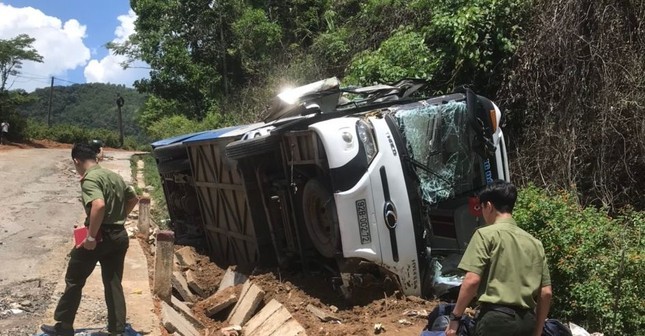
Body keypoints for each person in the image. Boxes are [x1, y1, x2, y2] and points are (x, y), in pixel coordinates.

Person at [41, 143, 139, 336]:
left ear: (77, 160)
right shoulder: (114, 176)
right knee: (113, 282)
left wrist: (91, 236)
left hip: (100, 236)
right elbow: (133, 199)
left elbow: (99, 205)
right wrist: (118, 218)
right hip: (119, 235)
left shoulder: (90, 179)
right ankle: (116, 330)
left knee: (74, 279)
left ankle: (64, 325)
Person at [445, 180, 552, 336]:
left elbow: (472, 280)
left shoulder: (485, 234)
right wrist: (537, 330)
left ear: (488, 206)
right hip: (527, 322)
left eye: (481, 208)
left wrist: (455, 318)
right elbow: (546, 293)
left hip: (496, 321)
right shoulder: (535, 243)